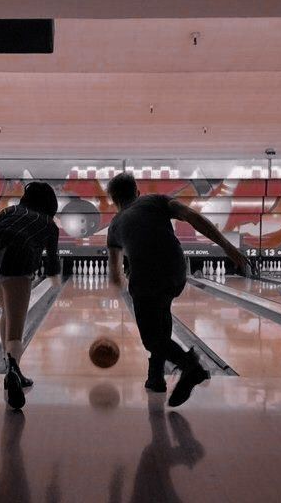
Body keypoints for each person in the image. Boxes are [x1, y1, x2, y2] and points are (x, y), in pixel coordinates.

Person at [106, 173, 251, 407]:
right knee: (161, 316)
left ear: (113, 199)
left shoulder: (114, 227)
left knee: (152, 338)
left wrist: (119, 287)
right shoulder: (156, 200)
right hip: (176, 271)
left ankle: (190, 366)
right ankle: (155, 378)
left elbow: (115, 274)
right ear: (137, 192)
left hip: (145, 278)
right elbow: (193, 217)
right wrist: (228, 247)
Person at [0, 182, 61, 409]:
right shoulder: (50, 225)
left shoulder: (8, 211)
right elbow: (52, 262)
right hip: (17, 269)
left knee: (8, 312)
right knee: (16, 328)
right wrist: (55, 280)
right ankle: (13, 369)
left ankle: (9, 366)